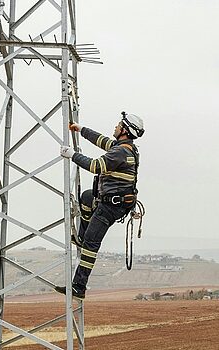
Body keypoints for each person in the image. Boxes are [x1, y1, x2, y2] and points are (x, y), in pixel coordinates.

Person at [56, 112, 144, 300]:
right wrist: (80, 129)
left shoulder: (121, 152)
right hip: (113, 202)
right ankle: (81, 236)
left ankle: (79, 287)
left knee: (91, 245)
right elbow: (101, 140)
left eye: (119, 124)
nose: (116, 126)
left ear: (125, 131)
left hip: (111, 207)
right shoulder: (124, 147)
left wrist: (72, 155)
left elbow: (96, 166)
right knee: (87, 197)